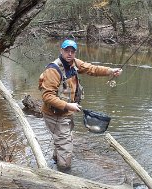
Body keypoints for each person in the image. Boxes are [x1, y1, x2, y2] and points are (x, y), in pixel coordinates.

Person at [39, 39, 122, 170]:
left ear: (75, 53)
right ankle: (64, 174)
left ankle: (55, 162)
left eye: (72, 51)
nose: (69, 54)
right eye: (67, 51)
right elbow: (47, 96)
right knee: (65, 148)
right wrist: (68, 105)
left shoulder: (75, 64)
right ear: (61, 51)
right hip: (54, 115)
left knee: (63, 141)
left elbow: (92, 69)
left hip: (66, 113)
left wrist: (110, 71)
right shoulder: (53, 70)